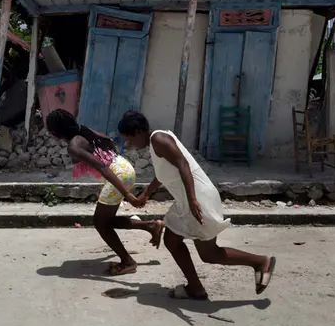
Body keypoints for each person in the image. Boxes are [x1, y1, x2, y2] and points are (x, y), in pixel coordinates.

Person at [118, 110, 275, 300]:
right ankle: (255, 264)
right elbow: (164, 173)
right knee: (203, 252)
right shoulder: (156, 142)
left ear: (138, 132)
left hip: (197, 198)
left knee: (186, 245)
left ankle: (201, 285)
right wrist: (146, 194)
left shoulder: (158, 138)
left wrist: (193, 200)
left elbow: (183, 164)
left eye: (129, 139)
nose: (129, 144)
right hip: (191, 199)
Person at [45, 109, 164, 275]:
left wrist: (129, 196)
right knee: (105, 220)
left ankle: (128, 262)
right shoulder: (84, 130)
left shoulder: (74, 146)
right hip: (124, 167)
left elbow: (102, 167)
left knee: (100, 223)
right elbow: (107, 140)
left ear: (56, 132)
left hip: (118, 175)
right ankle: (150, 226)